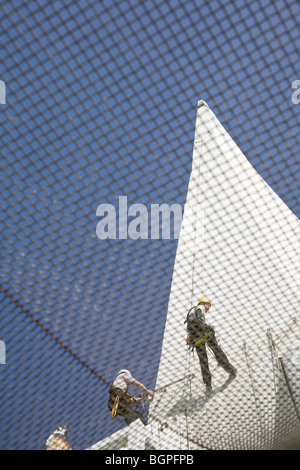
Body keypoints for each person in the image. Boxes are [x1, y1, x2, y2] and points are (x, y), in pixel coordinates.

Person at [186, 298, 237, 393]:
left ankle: (208, 383)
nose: (208, 308)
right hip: (201, 330)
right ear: (203, 303)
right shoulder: (199, 308)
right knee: (216, 350)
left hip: (196, 336)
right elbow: (199, 315)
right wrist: (206, 326)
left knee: (203, 359)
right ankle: (230, 369)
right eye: (208, 305)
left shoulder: (191, 314)